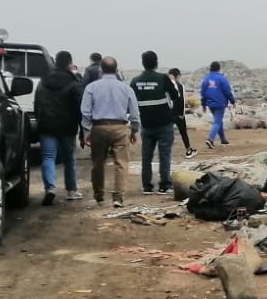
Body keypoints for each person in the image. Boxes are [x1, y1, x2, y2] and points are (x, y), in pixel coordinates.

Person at [80, 55, 139, 206]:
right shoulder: (126, 88)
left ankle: (99, 196)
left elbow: (85, 112)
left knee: (98, 163)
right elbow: (134, 113)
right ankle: (118, 197)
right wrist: (134, 130)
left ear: (101, 70)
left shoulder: (91, 88)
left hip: (98, 128)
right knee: (121, 163)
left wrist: (86, 132)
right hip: (120, 128)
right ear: (117, 70)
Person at [34, 50, 83, 205]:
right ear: (69, 63)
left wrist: (40, 119)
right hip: (67, 127)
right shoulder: (73, 82)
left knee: (48, 157)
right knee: (69, 159)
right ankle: (71, 190)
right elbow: (79, 106)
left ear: (55, 62)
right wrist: (82, 128)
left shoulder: (43, 81)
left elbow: (37, 103)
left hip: (46, 125)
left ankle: (50, 188)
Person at [130, 50, 181, 194]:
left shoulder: (135, 81)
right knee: (164, 154)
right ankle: (164, 185)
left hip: (146, 124)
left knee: (146, 156)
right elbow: (175, 96)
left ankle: (147, 186)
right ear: (156, 63)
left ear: (143, 64)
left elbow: (132, 101)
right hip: (164, 122)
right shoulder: (163, 78)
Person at [199, 60, 235, 148]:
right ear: (219, 69)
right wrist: (232, 100)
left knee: (218, 121)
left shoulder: (206, 79)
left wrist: (203, 104)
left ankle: (223, 139)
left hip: (210, 104)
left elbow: (202, 92)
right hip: (220, 103)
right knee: (217, 122)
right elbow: (227, 91)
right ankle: (210, 139)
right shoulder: (222, 79)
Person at [168, 68, 196, 157]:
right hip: (178, 113)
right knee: (183, 132)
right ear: (178, 76)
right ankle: (188, 151)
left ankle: (164, 152)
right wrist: (181, 113)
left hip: (169, 113)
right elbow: (181, 100)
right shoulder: (180, 86)